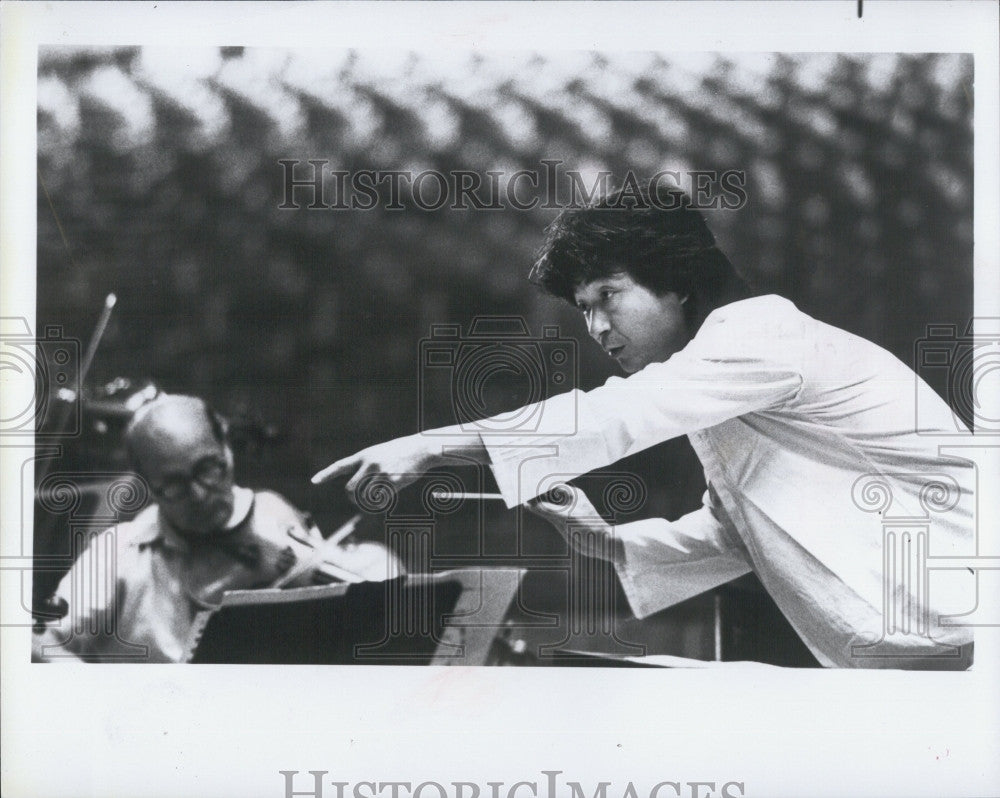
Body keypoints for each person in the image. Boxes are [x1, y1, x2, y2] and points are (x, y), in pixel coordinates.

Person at [313, 182, 976, 670]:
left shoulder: (760, 337)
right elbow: (745, 528)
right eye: (583, 308)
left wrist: (430, 445)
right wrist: (611, 543)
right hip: (923, 651)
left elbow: (613, 414)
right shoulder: (720, 369)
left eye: (609, 295)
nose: (598, 328)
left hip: (967, 639)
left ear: (679, 281)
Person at [34, 393, 400, 663]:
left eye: (208, 469)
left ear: (226, 449)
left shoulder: (272, 516)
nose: (198, 494)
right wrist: (104, 702)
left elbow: (380, 593)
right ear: (147, 484)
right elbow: (42, 640)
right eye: (174, 484)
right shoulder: (121, 551)